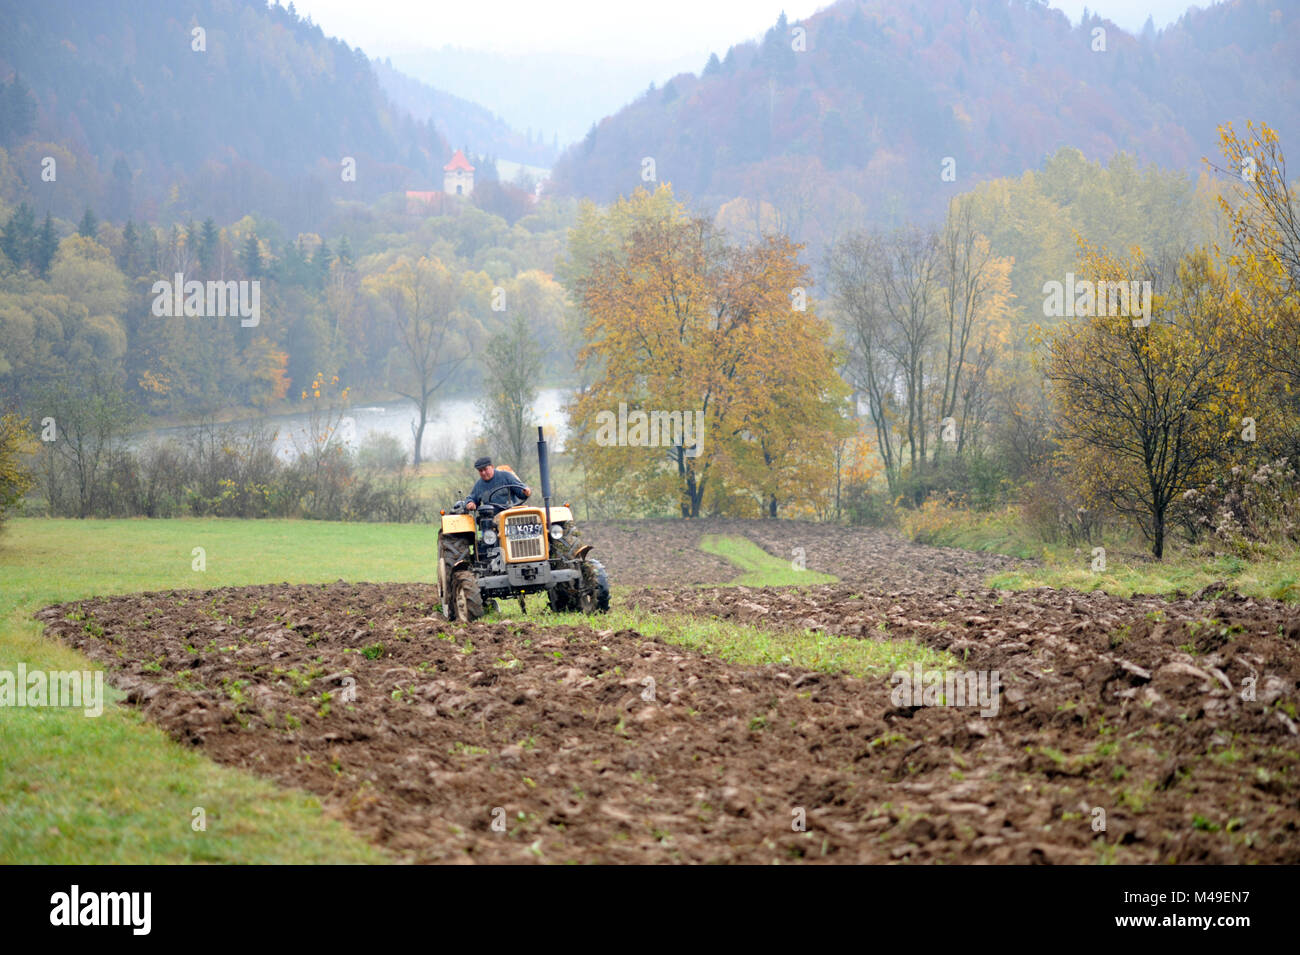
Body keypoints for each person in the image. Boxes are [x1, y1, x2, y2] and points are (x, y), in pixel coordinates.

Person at [465, 456, 531, 511]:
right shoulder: (479, 485)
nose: (483, 473)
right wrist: (470, 503)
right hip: (493, 519)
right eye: (480, 471)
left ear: (492, 467)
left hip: (511, 513)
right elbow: (472, 498)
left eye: (485, 469)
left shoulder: (506, 476)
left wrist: (525, 492)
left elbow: (521, 491)